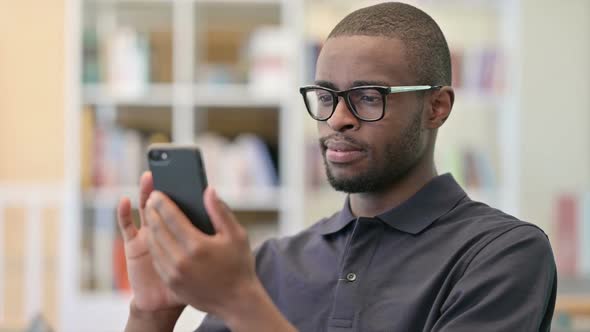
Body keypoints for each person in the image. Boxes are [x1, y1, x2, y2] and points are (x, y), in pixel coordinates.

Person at [116, 2, 557, 331]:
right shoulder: (269, 263)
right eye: (325, 96)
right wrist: (150, 313)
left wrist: (241, 300)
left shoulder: (502, 255)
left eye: (368, 96)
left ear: (436, 107)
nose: (336, 118)